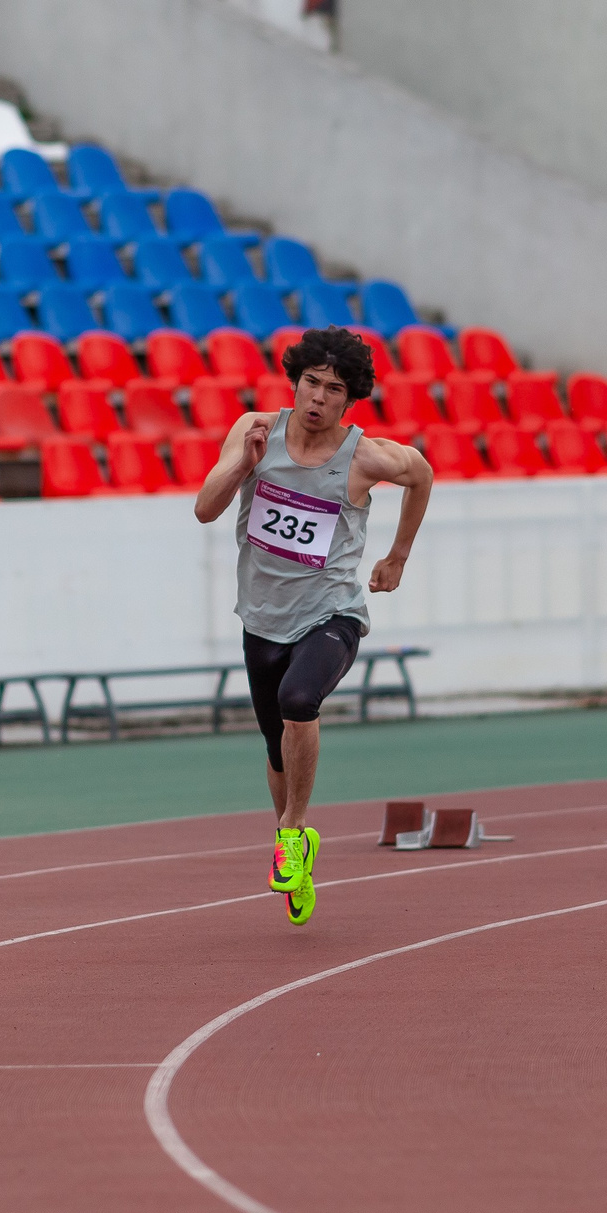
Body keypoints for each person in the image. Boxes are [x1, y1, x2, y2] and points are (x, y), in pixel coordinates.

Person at [193, 327, 433, 925]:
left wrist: (397, 556)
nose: (319, 398)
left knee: (300, 699)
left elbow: (422, 472)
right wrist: (244, 465)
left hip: (332, 614)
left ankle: (295, 832)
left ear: (348, 401)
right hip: (262, 618)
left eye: (333, 390)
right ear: (294, 382)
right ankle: (290, 834)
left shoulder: (366, 456)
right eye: (311, 383)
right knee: (276, 747)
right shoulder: (254, 430)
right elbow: (204, 508)